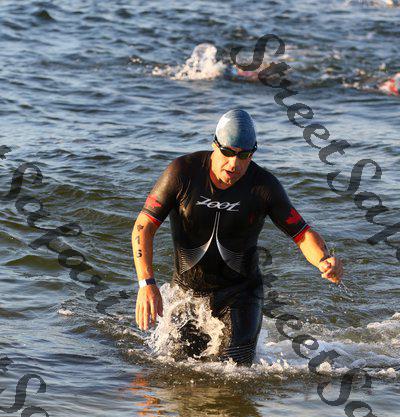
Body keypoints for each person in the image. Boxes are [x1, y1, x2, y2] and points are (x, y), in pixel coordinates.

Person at [132, 109, 343, 366]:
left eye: (244, 156)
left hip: (241, 295)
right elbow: (143, 227)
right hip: (187, 294)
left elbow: (301, 233)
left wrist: (323, 260)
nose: (234, 164)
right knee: (172, 369)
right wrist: (146, 283)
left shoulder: (263, 186)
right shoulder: (182, 173)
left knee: (234, 374)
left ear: (252, 153)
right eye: (228, 153)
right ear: (215, 145)